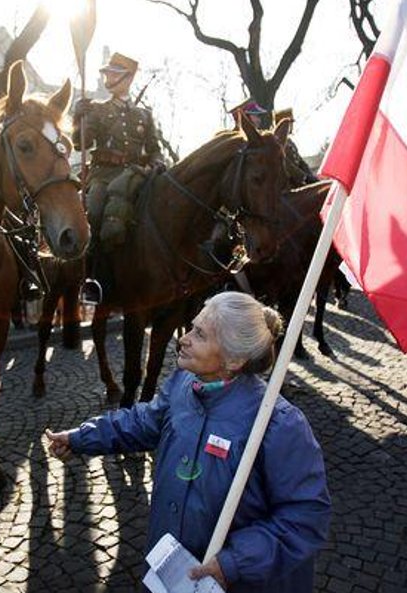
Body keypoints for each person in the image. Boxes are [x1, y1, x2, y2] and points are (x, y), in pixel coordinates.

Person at [46, 291, 331, 593]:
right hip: (170, 576)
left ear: (234, 359)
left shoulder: (278, 424)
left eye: (200, 334)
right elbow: (143, 421)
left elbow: (306, 516)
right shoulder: (183, 383)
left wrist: (233, 563)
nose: (183, 339)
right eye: (192, 327)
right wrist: (81, 438)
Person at [73, 52, 164, 303]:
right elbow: (80, 144)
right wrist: (78, 117)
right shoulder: (98, 110)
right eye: (107, 73)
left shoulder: (144, 115)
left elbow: (154, 147)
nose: (108, 77)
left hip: (134, 174)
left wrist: (157, 161)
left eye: (113, 73)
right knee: (94, 211)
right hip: (103, 175)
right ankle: (92, 279)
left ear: (128, 78)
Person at [273, 108, 319, 188]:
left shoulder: (290, 142)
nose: (292, 126)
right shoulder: (277, 143)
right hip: (288, 184)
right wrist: (304, 177)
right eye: (290, 123)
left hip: (298, 182)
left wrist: (310, 176)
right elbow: (287, 164)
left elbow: (301, 162)